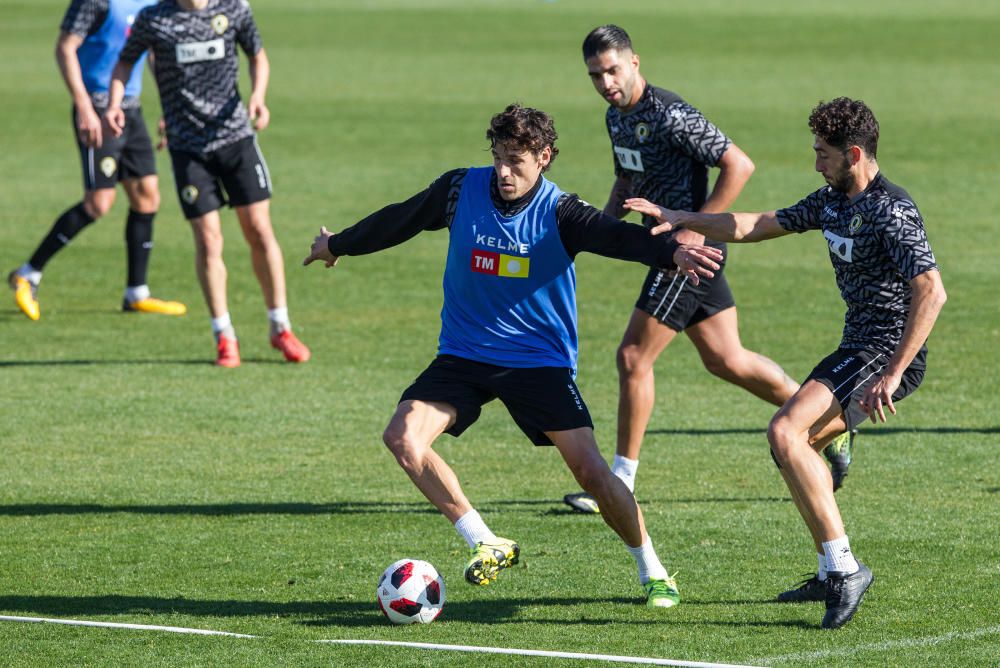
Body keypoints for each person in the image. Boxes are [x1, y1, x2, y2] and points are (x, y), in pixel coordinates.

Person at [304, 104, 724, 607]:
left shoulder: (561, 212)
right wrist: (339, 245)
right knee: (403, 438)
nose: (504, 172)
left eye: (517, 161)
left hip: (537, 363)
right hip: (463, 356)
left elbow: (618, 238)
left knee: (592, 473)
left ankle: (652, 569)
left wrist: (672, 252)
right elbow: (402, 218)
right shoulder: (460, 190)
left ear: (544, 158)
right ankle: (485, 540)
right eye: (499, 157)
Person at [625, 97, 946, 629]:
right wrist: (685, 218)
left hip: (885, 352)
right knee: (798, 448)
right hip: (857, 348)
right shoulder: (833, 201)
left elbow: (931, 291)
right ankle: (830, 567)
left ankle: (845, 570)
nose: (816, 163)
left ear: (856, 153)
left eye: (824, 154)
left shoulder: (891, 210)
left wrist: (892, 372)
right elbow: (756, 223)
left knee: (785, 432)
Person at [563, 25, 812, 515]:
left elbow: (739, 164)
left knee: (633, 357)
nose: (605, 82)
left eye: (612, 70)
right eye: (595, 75)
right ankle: (823, 415)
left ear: (635, 62)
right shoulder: (617, 116)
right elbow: (627, 176)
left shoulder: (671, 114)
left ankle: (621, 482)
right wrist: (599, 228)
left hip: (685, 254)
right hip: (668, 251)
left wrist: (697, 230)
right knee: (727, 360)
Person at [105, 0, 309, 367]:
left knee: (260, 230)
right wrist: (114, 103)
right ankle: (224, 335)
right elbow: (124, 62)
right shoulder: (156, 18)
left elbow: (256, 55)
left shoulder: (234, 9)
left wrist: (258, 96)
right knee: (209, 240)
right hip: (188, 149)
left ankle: (280, 327)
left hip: (236, 140)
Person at [8, 0, 186, 322]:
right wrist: (84, 106)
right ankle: (28, 273)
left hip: (131, 111)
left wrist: (170, 107)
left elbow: (157, 54)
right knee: (99, 202)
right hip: (98, 110)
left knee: (147, 197)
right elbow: (65, 48)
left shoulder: (153, 3)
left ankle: (136, 292)